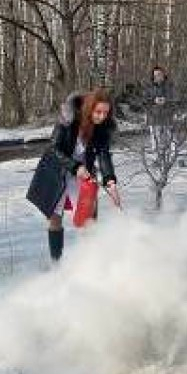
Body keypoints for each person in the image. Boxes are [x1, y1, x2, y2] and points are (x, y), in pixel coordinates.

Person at [27, 88, 121, 261]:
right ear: (89, 109)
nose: (102, 116)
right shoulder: (68, 118)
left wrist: (110, 181)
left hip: (83, 174)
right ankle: (57, 263)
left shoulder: (103, 127)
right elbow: (53, 148)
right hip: (57, 170)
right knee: (55, 217)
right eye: (98, 112)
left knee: (89, 219)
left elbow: (103, 154)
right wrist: (75, 167)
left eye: (106, 113)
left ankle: (88, 262)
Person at [143, 66, 175, 151]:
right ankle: (156, 152)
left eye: (159, 74)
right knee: (155, 136)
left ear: (163, 74)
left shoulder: (169, 85)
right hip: (153, 114)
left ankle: (172, 152)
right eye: (156, 75)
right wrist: (154, 100)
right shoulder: (149, 86)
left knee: (170, 135)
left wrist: (166, 100)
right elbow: (144, 99)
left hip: (167, 114)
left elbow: (174, 97)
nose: (158, 77)